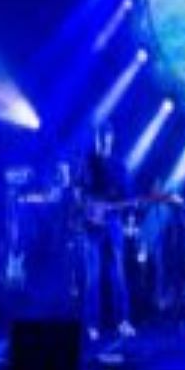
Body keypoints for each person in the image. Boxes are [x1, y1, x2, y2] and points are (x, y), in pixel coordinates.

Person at [78, 122, 136, 342]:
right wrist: (91, 210)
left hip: (113, 224)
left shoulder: (120, 165)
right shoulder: (88, 163)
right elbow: (80, 193)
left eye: (106, 136)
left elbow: (129, 196)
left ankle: (122, 321)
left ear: (112, 138)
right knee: (93, 276)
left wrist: (129, 216)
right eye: (100, 136)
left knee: (118, 274)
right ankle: (92, 324)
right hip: (92, 227)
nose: (103, 140)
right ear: (96, 139)